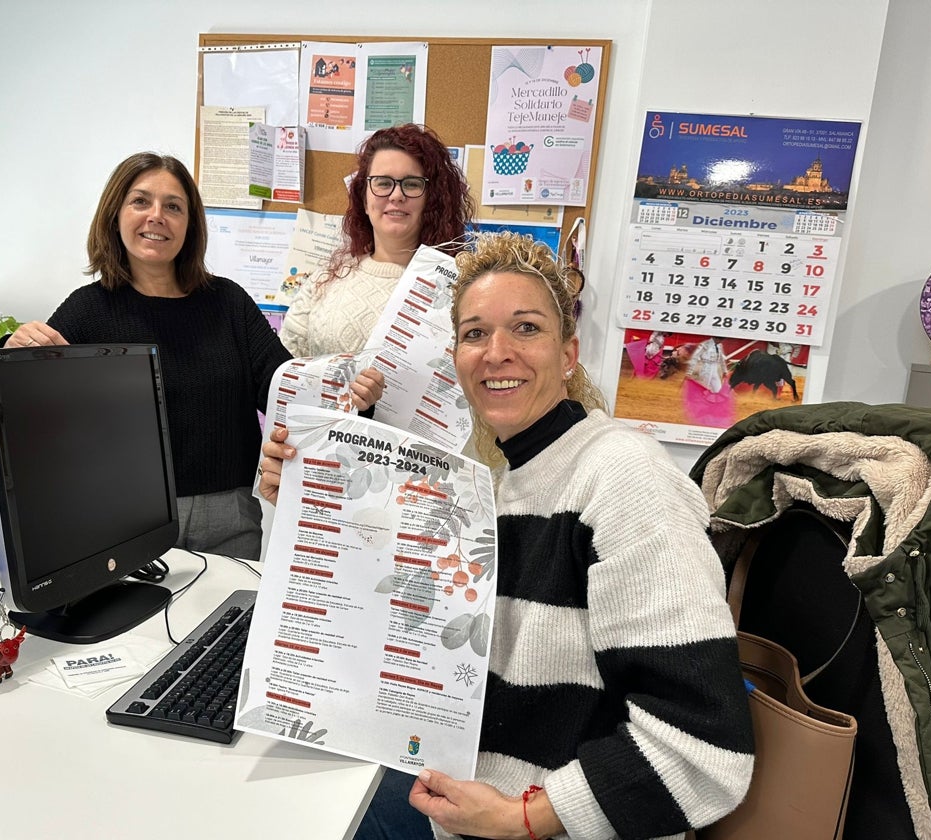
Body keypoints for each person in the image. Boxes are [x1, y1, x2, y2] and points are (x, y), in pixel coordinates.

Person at [259, 232, 754, 839]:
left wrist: (525, 818)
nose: (496, 352)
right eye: (474, 333)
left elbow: (705, 748)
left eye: (525, 328)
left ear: (569, 354)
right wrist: (317, 504)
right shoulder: (505, 484)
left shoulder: (624, 478)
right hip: (467, 791)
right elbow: (419, 614)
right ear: (457, 359)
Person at [4, 152, 381, 561]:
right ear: (115, 215)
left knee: (229, 623)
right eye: (140, 201)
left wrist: (352, 396)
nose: (156, 216)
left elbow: (288, 392)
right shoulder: (88, 310)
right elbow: (28, 407)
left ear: (190, 225)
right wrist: (14, 345)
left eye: (173, 206)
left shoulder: (228, 303)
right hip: (124, 523)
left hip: (230, 520)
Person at [279, 123, 474, 358]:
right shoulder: (323, 281)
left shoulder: (460, 288)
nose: (396, 195)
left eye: (412, 184)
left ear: (431, 200)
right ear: (364, 196)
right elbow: (285, 368)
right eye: (383, 183)